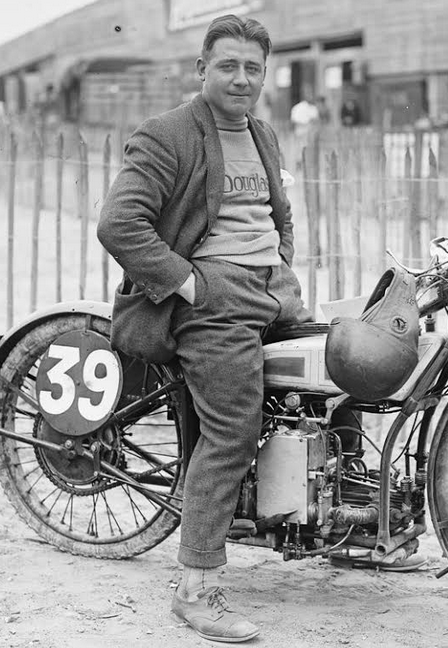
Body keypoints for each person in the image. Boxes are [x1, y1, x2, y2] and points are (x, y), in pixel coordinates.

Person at [97, 14, 310, 642]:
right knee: (232, 430)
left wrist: (281, 267)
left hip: (272, 291)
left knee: (350, 369)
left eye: (252, 68)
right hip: (211, 300)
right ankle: (196, 586)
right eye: (228, 66)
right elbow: (119, 224)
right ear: (202, 69)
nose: (241, 79)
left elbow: (280, 213)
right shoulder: (167, 136)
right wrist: (192, 284)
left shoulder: (264, 135)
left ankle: (344, 529)